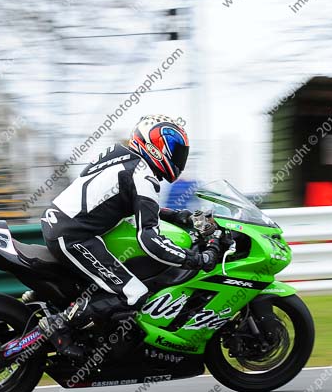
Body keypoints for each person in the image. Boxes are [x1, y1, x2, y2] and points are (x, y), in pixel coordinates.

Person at [38, 115, 227, 358]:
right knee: (134, 292)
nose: (179, 158)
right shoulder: (142, 175)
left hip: (63, 225)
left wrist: (182, 217)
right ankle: (59, 324)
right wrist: (196, 260)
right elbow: (150, 241)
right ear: (156, 147)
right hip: (72, 237)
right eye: (175, 151)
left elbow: (131, 202)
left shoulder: (122, 156)